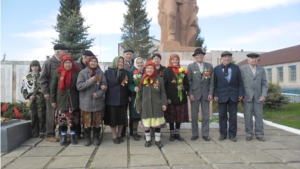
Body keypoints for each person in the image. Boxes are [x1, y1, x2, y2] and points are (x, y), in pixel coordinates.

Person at [213, 51, 244, 142]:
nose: (227, 58)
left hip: (234, 95)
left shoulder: (236, 68)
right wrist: (215, 94)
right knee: (222, 116)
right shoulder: (217, 69)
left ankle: (232, 135)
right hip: (221, 95)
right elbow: (215, 84)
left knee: (233, 116)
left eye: (228, 57)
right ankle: (223, 134)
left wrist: (241, 93)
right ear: (222, 58)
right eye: (225, 57)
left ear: (230, 58)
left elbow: (240, 82)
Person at [50, 55, 81, 146]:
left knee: (73, 120)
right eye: (66, 63)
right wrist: (53, 100)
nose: (68, 65)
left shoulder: (77, 72)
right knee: (62, 120)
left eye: (69, 62)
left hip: (73, 100)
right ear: (63, 63)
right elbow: (53, 87)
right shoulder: (58, 72)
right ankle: (63, 136)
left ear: (72, 63)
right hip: (61, 100)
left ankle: (72, 135)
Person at [77, 56, 107, 146]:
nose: (93, 63)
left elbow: (104, 85)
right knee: (87, 122)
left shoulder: (100, 73)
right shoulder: (82, 73)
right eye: (92, 61)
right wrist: (91, 80)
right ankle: (87, 137)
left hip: (97, 102)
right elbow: (79, 86)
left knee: (97, 122)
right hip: (86, 102)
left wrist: (98, 93)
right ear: (88, 62)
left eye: (95, 61)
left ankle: (96, 137)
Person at [40, 44, 68, 142]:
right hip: (51, 94)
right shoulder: (49, 62)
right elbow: (43, 78)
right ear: (57, 52)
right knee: (51, 114)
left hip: (62, 94)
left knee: (61, 113)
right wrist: (46, 92)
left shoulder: (64, 62)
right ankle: (50, 134)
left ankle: (62, 133)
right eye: (64, 52)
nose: (66, 54)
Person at [136, 61, 167, 148]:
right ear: (146, 69)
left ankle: (157, 140)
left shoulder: (159, 79)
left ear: (154, 69)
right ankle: (148, 140)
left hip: (157, 106)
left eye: (151, 68)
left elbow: (163, 93)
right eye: (148, 68)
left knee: (157, 125)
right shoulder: (143, 79)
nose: (149, 70)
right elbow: (140, 95)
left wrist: (164, 104)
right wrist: (138, 107)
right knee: (147, 125)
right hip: (146, 106)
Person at [187, 48, 214, 141]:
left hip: (206, 94)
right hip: (194, 94)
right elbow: (189, 81)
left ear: (203, 56)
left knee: (206, 114)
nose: (200, 57)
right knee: (194, 115)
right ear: (195, 57)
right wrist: (190, 93)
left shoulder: (209, 66)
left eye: (201, 55)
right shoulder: (190, 66)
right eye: (198, 55)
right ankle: (195, 133)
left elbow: (211, 82)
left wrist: (211, 93)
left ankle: (205, 133)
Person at [240, 53, 268, 141]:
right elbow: (239, 83)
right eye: (252, 58)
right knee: (247, 116)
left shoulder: (261, 69)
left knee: (259, 116)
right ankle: (249, 133)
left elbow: (264, 83)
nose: (254, 60)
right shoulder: (242, 69)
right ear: (248, 60)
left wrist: (264, 95)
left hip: (258, 97)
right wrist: (241, 95)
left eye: (256, 58)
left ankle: (260, 134)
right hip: (246, 97)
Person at [163, 54, 189, 141]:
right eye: (173, 59)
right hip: (171, 98)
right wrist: (167, 98)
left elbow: (187, 85)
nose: (175, 61)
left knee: (179, 117)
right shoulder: (166, 70)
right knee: (171, 117)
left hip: (181, 99)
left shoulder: (182, 71)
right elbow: (164, 86)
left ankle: (177, 133)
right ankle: (172, 134)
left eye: (176, 59)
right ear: (170, 60)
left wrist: (183, 88)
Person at [104, 56, 130, 144]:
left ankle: (119, 135)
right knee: (113, 119)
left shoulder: (126, 72)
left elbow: (128, 85)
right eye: (119, 62)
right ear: (115, 62)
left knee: (122, 118)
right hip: (112, 99)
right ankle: (114, 136)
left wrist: (129, 95)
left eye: (122, 62)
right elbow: (104, 84)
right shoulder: (108, 72)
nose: (121, 64)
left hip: (123, 98)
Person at [21, 60, 46, 138]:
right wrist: (29, 96)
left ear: (39, 67)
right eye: (33, 66)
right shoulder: (27, 77)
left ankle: (42, 131)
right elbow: (23, 89)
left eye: (36, 66)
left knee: (41, 115)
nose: (35, 68)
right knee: (33, 115)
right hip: (32, 99)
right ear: (30, 67)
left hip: (41, 99)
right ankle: (35, 131)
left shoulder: (42, 76)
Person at [75, 50, 95, 139]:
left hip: (88, 95)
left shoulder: (96, 69)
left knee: (85, 115)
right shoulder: (76, 65)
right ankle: (77, 133)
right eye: (90, 59)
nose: (92, 61)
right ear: (85, 57)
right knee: (77, 114)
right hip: (77, 93)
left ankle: (86, 132)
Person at [128, 57, 145, 141]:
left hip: (144, 96)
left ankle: (147, 131)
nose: (140, 64)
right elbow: (129, 83)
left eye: (141, 62)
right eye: (138, 62)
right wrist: (133, 88)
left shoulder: (145, 71)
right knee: (135, 115)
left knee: (144, 114)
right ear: (135, 63)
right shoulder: (131, 72)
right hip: (135, 96)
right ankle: (134, 132)